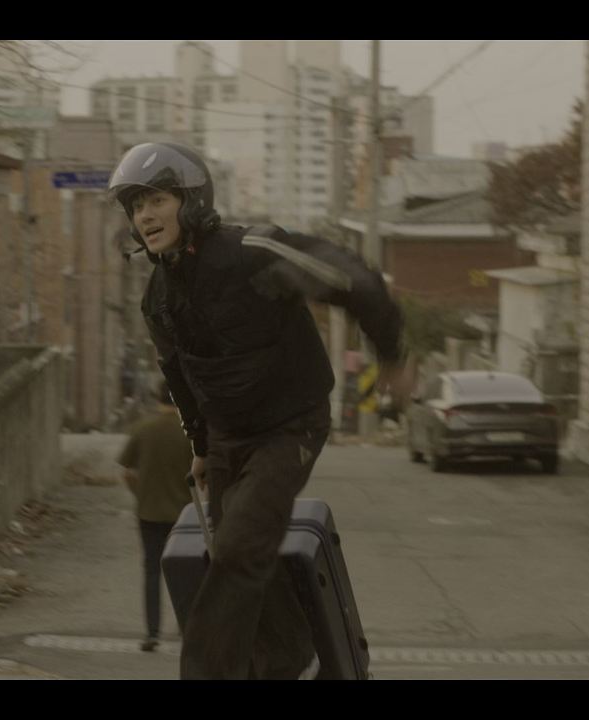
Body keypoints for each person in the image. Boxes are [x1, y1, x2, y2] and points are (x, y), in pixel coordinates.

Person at [107, 141, 415, 680]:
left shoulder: (252, 252)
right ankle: (290, 660)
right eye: (136, 206)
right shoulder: (158, 298)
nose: (145, 216)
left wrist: (391, 355)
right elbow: (180, 376)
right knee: (241, 556)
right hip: (229, 436)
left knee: (237, 550)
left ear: (191, 200)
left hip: (290, 424)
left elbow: (350, 277)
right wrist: (201, 444)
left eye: (157, 200)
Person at [118, 380, 194, 652]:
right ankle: (187, 628)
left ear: (157, 397)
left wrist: (140, 493)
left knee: (152, 570)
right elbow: (203, 473)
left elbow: (128, 471)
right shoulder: (189, 433)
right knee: (184, 570)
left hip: (148, 512)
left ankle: (152, 633)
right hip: (183, 515)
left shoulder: (143, 428)